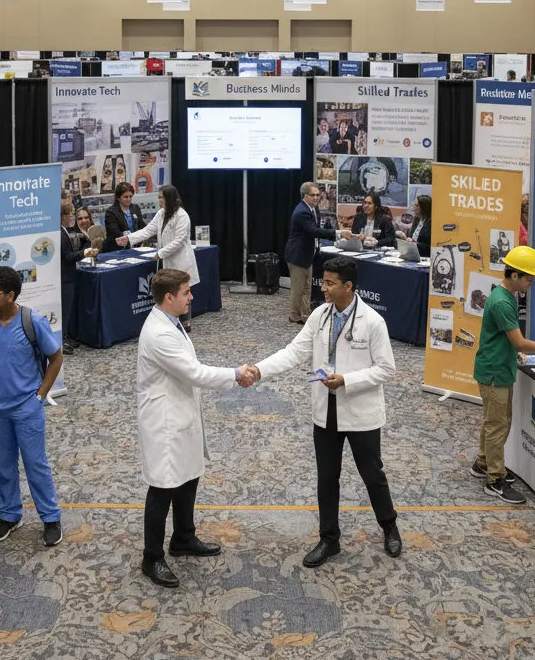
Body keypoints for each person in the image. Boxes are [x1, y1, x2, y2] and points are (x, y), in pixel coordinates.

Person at [244, 256, 402, 566]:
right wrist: (260, 370)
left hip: (360, 411)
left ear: (348, 286)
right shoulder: (319, 315)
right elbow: (294, 352)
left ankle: (389, 526)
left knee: (372, 474)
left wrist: (347, 380)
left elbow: (387, 369)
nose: (323, 288)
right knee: (327, 477)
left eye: (330, 283)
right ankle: (329, 539)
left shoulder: (372, 322)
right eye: (323, 281)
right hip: (326, 409)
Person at [136, 268, 254, 588]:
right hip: (164, 421)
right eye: (186, 293)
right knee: (162, 487)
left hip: (180, 414)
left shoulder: (171, 322)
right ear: (169, 297)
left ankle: (183, 538)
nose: (191, 297)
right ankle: (151, 557)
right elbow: (195, 373)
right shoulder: (159, 334)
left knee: (188, 476)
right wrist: (235, 373)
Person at [0, 265, 64, 547]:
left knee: (36, 464)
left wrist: (40, 396)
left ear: (10, 295)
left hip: (27, 407)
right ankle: (10, 515)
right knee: (4, 467)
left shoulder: (32, 321)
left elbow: (56, 358)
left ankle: (50, 518)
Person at [472, 246, 535, 505]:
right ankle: (494, 479)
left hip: (497, 368)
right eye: (529, 278)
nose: (531, 283)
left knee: (495, 421)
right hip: (495, 372)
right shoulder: (503, 302)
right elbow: (519, 343)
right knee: (498, 425)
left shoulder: (505, 296)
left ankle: (483, 463)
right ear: (515, 275)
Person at [117, 184, 197, 331]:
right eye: (159, 197)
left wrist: (160, 253)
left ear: (169, 198)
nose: (159, 200)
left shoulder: (182, 216)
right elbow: (148, 230)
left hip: (180, 260)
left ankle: (185, 324)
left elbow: (179, 241)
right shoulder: (161, 213)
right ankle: (171, 321)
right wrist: (129, 238)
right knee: (170, 292)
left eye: (162, 197)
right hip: (168, 260)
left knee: (182, 292)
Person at [285, 181, 336, 324]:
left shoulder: (313, 208)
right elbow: (313, 231)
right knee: (298, 288)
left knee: (307, 287)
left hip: (307, 254)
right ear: (304, 196)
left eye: (318, 195)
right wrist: (337, 233)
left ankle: (305, 314)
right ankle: (294, 316)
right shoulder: (302, 211)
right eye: (312, 195)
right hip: (298, 256)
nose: (316, 198)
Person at [61, 198, 98, 352]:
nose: (72, 217)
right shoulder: (61, 233)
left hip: (69, 276)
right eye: (70, 214)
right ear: (63, 216)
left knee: (68, 310)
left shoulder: (64, 230)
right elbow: (67, 256)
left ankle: (66, 337)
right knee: (65, 311)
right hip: (65, 277)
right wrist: (84, 253)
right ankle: (62, 341)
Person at [104, 182, 145, 252]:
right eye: (125, 197)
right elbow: (116, 233)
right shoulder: (111, 212)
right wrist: (131, 240)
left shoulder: (135, 208)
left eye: (130, 196)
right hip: (117, 250)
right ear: (118, 198)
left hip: (135, 247)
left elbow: (141, 226)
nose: (129, 199)